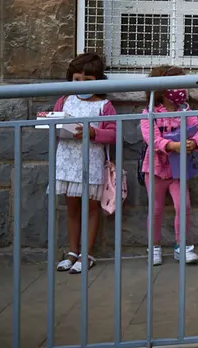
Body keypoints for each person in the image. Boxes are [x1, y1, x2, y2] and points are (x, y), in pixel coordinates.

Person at [54, 53, 117, 274]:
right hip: (66, 161)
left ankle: (86, 253)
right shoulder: (64, 100)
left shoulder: (105, 106)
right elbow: (54, 124)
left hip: (91, 162)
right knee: (71, 208)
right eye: (77, 79)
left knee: (91, 208)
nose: (81, 84)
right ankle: (72, 251)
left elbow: (113, 134)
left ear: (98, 81)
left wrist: (92, 132)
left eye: (88, 81)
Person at [141, 66, 198, 266]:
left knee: (184, 206)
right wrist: (171, 145)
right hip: (155, 169)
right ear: (162, 89)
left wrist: (194, 142)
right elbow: (150, 137)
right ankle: (154, 247)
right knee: (156, 209)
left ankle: (182, 246)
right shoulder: (151, 112)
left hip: (179, 170)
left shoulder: (184, 111)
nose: (181, 89)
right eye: (176, 84)